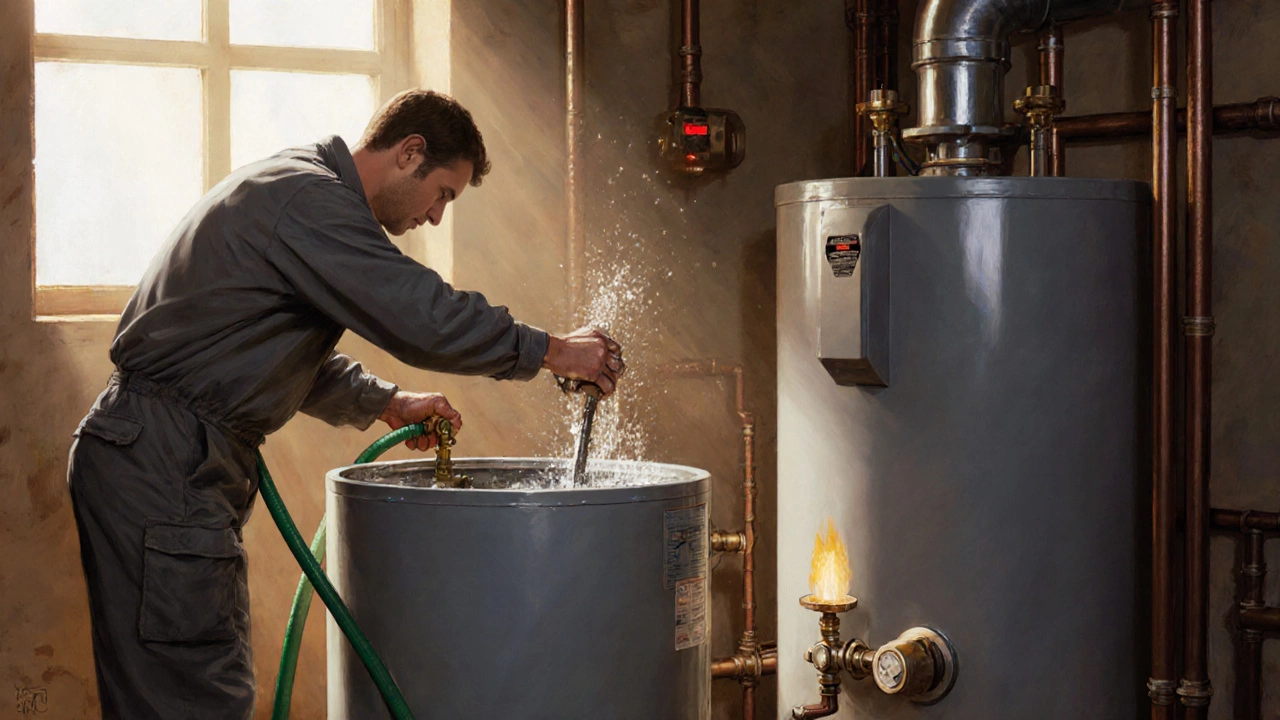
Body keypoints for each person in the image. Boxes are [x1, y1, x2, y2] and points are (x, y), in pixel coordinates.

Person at [67, 89, 625, 719]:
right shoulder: (313, 201)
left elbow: (265, 351)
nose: (438, 216)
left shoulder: (299, 186)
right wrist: (551, 350)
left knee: (187, 688)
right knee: (190, 699)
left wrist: (387, 402)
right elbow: (422, 316)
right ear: (410, 152)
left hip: (165, 456)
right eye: (443, 193)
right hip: (163, 462)